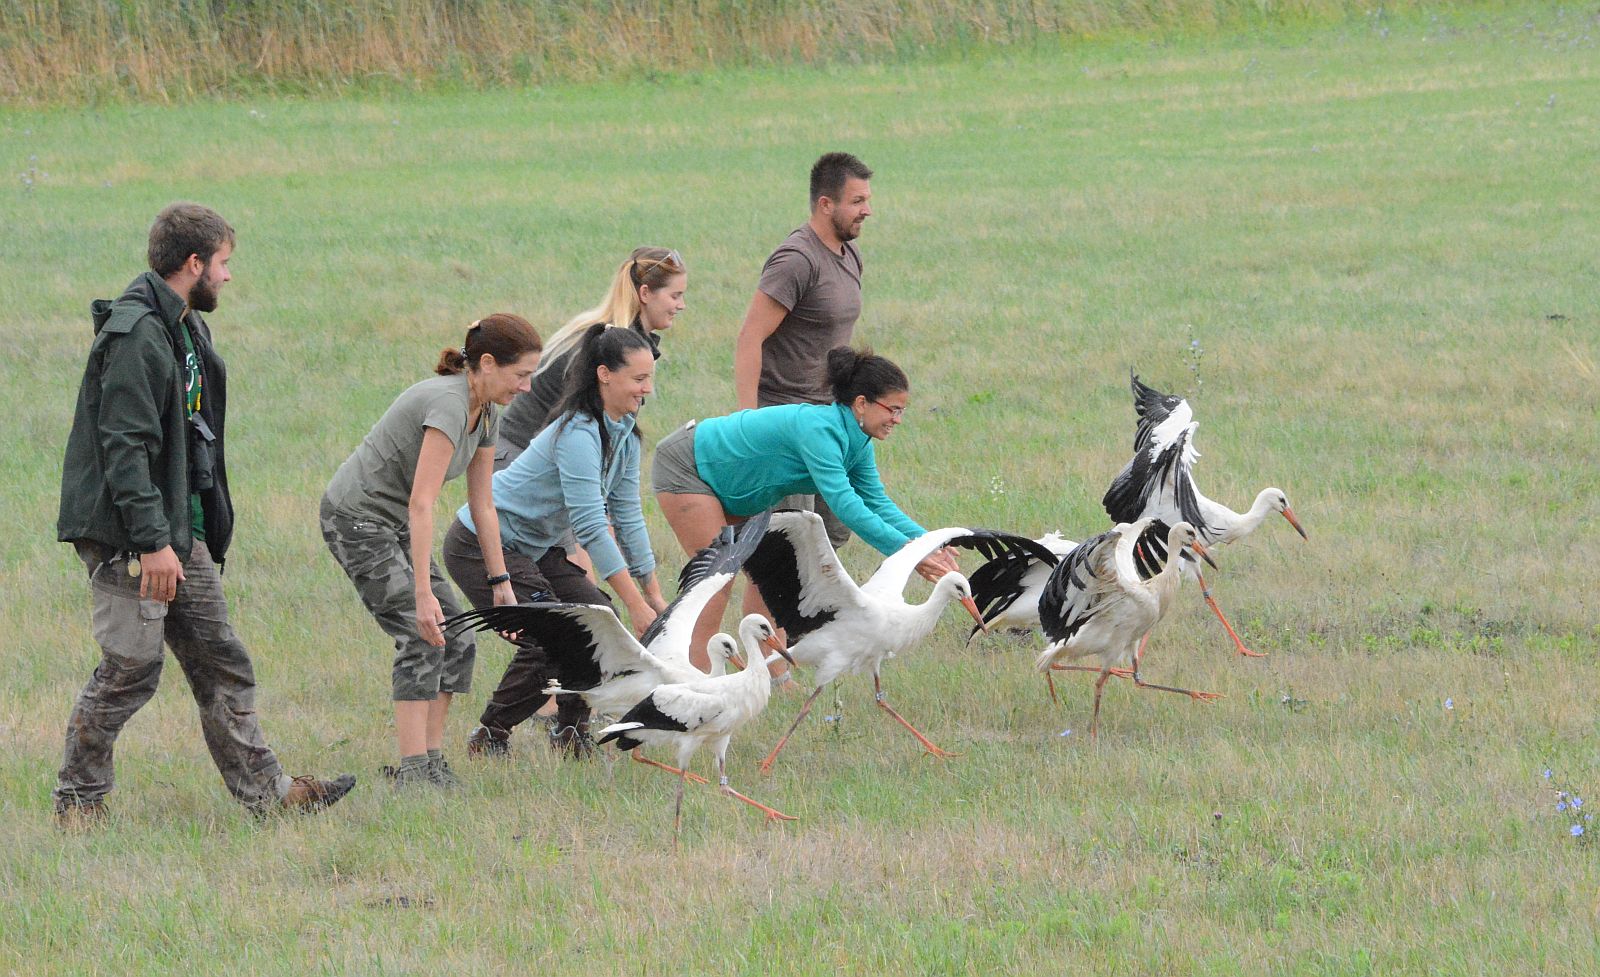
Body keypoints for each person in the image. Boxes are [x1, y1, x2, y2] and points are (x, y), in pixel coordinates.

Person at [53, 202, 356, 827]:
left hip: (176, 528)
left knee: (221, 661)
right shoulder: (137, 333)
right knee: (131, 671)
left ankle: (271, 796)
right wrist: (151, 544)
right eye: (222, 264)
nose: (227, 276)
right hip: (135, 535)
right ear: (194, 263)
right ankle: (78, 802)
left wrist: (183, 534)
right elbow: (124, 448)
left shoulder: (185, 327)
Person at [321, 314, 541, 789]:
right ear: (486, 364)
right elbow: (423, 503)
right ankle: (412, 770)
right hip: (357, 519)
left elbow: (483, 504)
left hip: (394, 521)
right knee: (422, 632)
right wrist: (422, 594)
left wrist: (501, 585)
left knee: (457, 636)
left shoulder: (486, 413)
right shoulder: (449, 406)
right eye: (521, 375)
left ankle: (432, 762)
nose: (526, 387)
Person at [654, 346, 958, 671]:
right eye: (893, 410)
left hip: (737, 486)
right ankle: (692, 682)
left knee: (774, 577)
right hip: (690, 466)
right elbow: (846, 505)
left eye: (902, 411)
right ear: (861, 404)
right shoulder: (821, 430)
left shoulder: (858, 441)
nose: (897, 420)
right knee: (717, 581)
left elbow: (877, 501)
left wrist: (928, 543)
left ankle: (774, 677)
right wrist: (909, 554)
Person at [446, 325, 667, 759]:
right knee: (553, 635)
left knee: (597, 616)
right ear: (604, 374)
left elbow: (626, 514)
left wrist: (653, 594)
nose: (647, 390)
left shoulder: (623, 434)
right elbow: (589, 526)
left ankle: (570, 731)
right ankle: (490, 735)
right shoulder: (578, 434)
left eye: (650, 379)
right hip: (478, 543)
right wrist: (637, 605)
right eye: (639, 379)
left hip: (532, 546)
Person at [733, 152, 874, 548]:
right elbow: (750, 337)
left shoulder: (850, 254)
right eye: (858, 201)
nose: (868, 210)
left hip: (828, 417)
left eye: (867, 199)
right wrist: (748, 422)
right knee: (791, 546)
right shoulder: (797, 260)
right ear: (826, 204)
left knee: (833, 534)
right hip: (786, 421)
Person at [496, 247, 686, 467]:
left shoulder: (614, 336)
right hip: (519, 459)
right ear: (644, 293)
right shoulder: (609, 347)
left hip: (528, 455)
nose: (681, 305)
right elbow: (579, 433)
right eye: (675, 296)